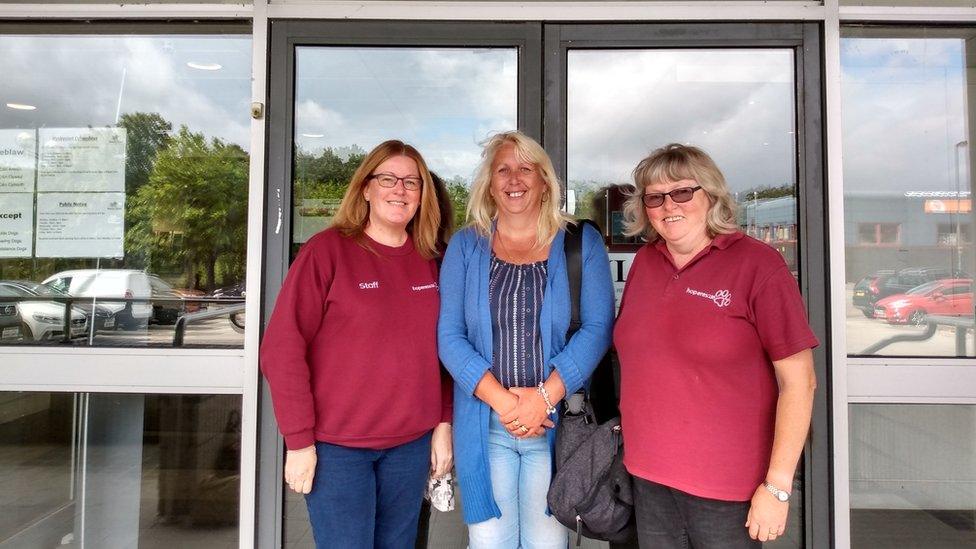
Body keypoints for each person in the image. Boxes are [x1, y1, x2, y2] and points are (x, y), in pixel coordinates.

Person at [613, 143, 819, 548]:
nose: (668, 205)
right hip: (649, 480)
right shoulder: (645, 264)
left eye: (682, 192)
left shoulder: (758, 265)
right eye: (654, 197)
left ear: (711, 195)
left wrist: (777, 487)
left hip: (727, 492)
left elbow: (800, 383)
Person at [260, 140, 453, 549]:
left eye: (411, 182)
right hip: (339, 450)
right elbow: (282, 349)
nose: (399, 190)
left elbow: (446, 351)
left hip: (410, 445)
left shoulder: (431, 259)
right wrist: (299, 442)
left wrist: (443, 425)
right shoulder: (327, 252)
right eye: (388, 178)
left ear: (423, 195)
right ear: (365, 187)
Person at [438, 130, 615, 549]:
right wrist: (506, 403)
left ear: (544, 181)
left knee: (547, 543)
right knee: (489, 541)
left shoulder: (580, 241)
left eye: (525, 168)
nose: (514, 179)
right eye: (503, 169)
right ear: (489, 182)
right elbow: (450, 336)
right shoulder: (466, 246)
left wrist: (542, 400)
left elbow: (597, 328)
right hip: (487, 424)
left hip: (556, 424)